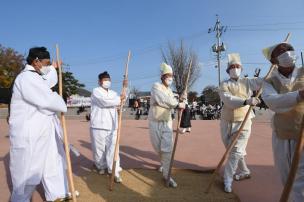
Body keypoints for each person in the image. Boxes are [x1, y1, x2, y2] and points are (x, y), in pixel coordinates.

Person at [9, 47, 69, 201]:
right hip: (30, 132)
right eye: (46, 63)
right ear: (36, 62)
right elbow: (47, 98)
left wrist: (53, 68)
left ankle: (57, 195)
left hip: (44, 129)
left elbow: (48, 80)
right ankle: (20, 199)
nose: (48, 66)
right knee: (29, 169)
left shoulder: (36, 76)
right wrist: (61, 103)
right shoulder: (26, 78)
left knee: (53, 161)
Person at [261, 42, 304, 201]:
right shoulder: (269, 81)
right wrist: (298, 96)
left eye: (289, 49)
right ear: (273, 61)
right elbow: (273, 102)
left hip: (303, 135)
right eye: (280, 51)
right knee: (286, 178)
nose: (286, 53)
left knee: (300, 182)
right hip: (282, 136)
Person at [219, 53, 262, 193]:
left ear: (241, 68)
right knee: (233, 150)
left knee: (235, 152)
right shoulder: (224, 84)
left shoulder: (248, 81)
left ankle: (227, 179)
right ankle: (244, 171)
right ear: (228, 70)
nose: (235, 68)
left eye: (237, 66)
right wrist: (246, 101)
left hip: (244, 121)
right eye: (232, 66)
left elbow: (263, 81)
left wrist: (272, 69)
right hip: (226, 121)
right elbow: (228, 100)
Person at [148, 62, 186, 188]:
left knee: (167, 149)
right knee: (158, 147)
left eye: (171, 76)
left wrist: (182, 100)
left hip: (167, 122)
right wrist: (176, 104)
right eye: (167, 75)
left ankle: (167, 175)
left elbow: (173, 102)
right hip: (154, 121)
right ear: (162, 77)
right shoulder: (156, 86)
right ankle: (164, 164)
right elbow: (162, 99)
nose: (170, 78)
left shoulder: (171, 91)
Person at [90, 71, 126, 183]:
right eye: (105, 79)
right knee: (99, 149)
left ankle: (114, 170)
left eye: (108, 79)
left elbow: (122, 101)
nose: (107, 81)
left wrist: (125, 88)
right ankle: (100, 166)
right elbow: (104, 102)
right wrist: (119, 100)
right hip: (98, 125)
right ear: (99, 81)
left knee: (113, 149)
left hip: (112, 125)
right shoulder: (96, 92)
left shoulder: (114, 93)